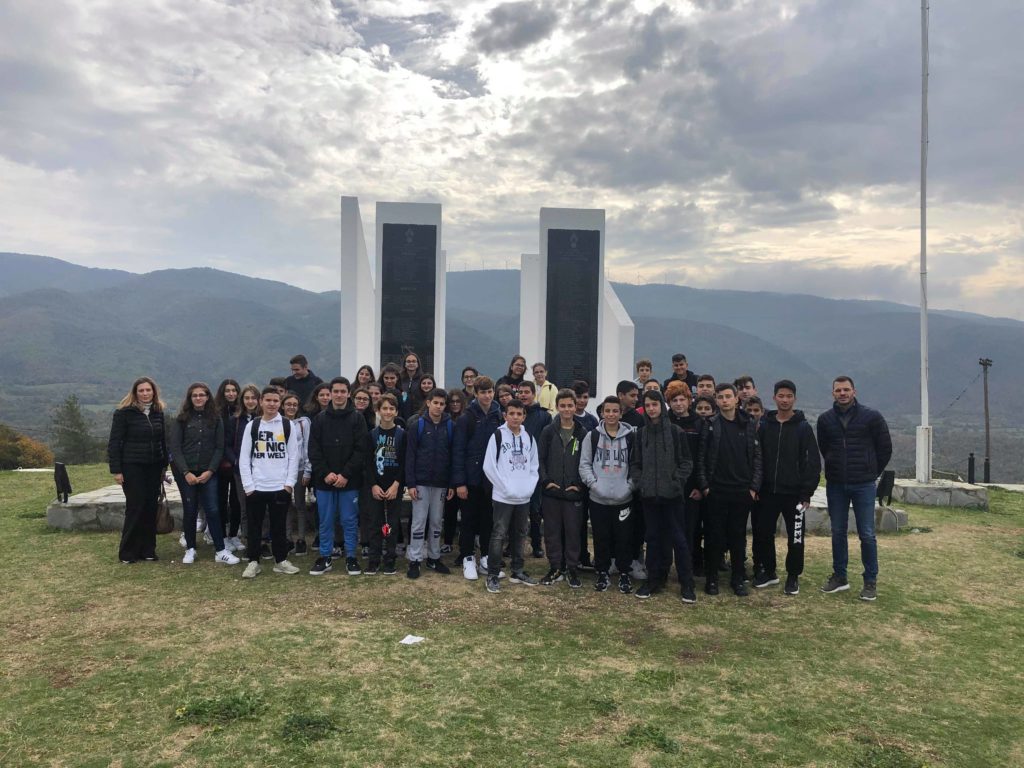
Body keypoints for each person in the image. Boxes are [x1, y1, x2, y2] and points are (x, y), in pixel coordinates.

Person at [816, 376, 892, 601]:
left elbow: (885, 448)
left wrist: (871, 471)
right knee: (837, 531)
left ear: (854, 391)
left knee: (867, 534)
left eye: (846, 389)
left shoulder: (872, 417)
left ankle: (870, 581)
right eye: (838, 390)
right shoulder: (825, 420)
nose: (842, 393)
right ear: (833, 393)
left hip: (864, 485)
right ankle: (840, 577)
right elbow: (824, 448)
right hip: (836, 484)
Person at [629, 390, 695, 603]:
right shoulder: (641, 434)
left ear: (661, 406)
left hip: (672, 496)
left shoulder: (676, 432)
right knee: (653, 539)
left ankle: (687, 583)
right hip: (649, 496)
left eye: (655, 404)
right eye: (647, 405)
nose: (651, 409)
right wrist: (641, 482)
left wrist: (676, 482)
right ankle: (654, 579)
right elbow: (635, 463)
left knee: (679, 540)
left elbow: (686, 462)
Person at [696, 383, 762, 597]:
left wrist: (753, 487)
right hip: (716, 490)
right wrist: (705, 486)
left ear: (736, 399)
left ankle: (738, 579)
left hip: (742, 490)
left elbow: (757, 456)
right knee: (714, 536)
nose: (724, 400)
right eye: (720, 397)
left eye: (728, 396)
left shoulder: (748, 423)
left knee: (737, 537)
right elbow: (701, 457)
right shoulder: (710, 424)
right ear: (716, 400)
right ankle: (712, 578)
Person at [756, 380, 821, 595]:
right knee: (764, 534)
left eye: (789, 396)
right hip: (767, 492)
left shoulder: (803, 427)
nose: (785, 400)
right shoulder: (765, 425)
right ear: (774, 397)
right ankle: (769, 572)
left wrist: (806, 493)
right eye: (781, 396)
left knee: (796, 537)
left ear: (795, 398)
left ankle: (793, 576)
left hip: (794, 494)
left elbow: (812, 462)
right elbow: (757, 457)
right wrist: (756, 486)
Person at [168, 382, 238, 566]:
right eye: (195, 395)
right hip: (187, 473)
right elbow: (175, 448)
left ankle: (220, 550)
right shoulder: (181, 419)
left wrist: (211, 470)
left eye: (202, 395)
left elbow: (219, 447)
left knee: (213, 510)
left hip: (208, 472)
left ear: (208, 397)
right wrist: (185, 472)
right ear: (190, 398)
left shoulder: (215, 419)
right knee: (190, 510)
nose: (198, 398)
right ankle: (190, 548)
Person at [307, 377, 369, 577]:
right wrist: (325, 473)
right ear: (330, 393)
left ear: (349, 393)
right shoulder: (319, 419)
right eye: (336, 391)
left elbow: (361, 450)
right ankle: (325, 557)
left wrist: (345, 474)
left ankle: (351, 557)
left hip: (349, 481)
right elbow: (313, 450)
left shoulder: (357, 419)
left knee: (349, 521)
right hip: (325, 481)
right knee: (325, 521)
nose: (339, 395)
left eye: (343, 391)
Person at [238, 387, 301, 578]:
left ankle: (280, 561)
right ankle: (253, 562)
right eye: (268, 400)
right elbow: (244, 458)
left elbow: (294, 457)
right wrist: (248, 486)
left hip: (280, 486)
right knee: (254, 527)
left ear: (280, 403)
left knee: (279, 527)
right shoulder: (253, 426)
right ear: (261, 402)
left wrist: (289, 484)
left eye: (275, 401)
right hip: (257, 486)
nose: (272, 404)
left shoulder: (287, 425)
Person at [579, 396, 637, 594]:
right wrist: (594, 485)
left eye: (615, 411)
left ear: (621, 413)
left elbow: (636, 465)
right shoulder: (592, 436)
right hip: (598, 498)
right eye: (607, 411)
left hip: (624, 498)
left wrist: (629, 487)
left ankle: (624, 572)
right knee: (601, 536)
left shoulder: (631, 437)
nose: (611, 414)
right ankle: (602, 571)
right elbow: (584, 464)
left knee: (624, 538)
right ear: (602, 413)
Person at [108, 376, 168, 564]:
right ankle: (128, 551)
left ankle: (148, 550)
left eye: (148, 390)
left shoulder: (158, 412)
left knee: (151, 507)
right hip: (132, 466)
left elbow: (163, 441)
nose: (145, 393)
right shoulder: (124, 413)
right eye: (141, 390)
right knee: (135, 507)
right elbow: (114, 442)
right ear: (135, 393)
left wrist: (164, 465)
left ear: (154, 392)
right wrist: (116, 470)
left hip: (154, 466)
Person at [483, 399, 540, 592]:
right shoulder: (497, 436)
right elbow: (489, 466)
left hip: (523, 497)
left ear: (524, 416)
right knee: (499, 534)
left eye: (519, 414)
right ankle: (493, 574)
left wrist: (529, 488)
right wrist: (505, 488)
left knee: (520, 533)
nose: (515, 417)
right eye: (512, 413)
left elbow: (534, 466)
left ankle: (518, 570)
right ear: (505, 415)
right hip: (503, 497)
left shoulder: (529, 437)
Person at [452, 376, 503, 581]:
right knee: (468, 521)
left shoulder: (499, 416)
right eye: (483, 392)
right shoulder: (466, 418)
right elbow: (458, 451)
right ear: (475, 393)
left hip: (491, 480)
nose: (487, 396)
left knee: (488, 520)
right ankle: (468, 558)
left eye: (490, 391)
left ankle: (486, 558)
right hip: (470, 479)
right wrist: (460, 482)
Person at [537, 388, 588, 588]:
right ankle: (555, 567)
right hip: (552, 492)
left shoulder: (583, 433)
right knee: (552, 532)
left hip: (573, 493)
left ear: (575, 407)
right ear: (557, 407)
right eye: (563, 406)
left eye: (570, 405)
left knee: (573, 532)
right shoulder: (548, 431)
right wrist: (546, 481)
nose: (567, 409)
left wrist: (579, 484)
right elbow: (540, 459)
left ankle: (572, 568)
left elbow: (587, 461)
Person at [405, 388, 455, 579]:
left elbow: (453, 456)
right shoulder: (417, 425)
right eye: (435, 403)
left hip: (441, 483)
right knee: (419, 522)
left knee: (436, 522)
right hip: (421, 482)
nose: (438, 407)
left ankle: (434, 557)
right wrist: (411, 483)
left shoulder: (450, 426)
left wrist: (451, 483)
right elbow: (410, 456)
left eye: (442, 404)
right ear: (428, 403)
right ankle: (415, 559)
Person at [665, 381, 706, 578]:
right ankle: (664, 569)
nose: (679, 404)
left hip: (691, 486)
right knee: (666, 530)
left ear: (689, 401)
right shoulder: (664, 422)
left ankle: (688, 569)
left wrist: (700, 486)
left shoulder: (699, 423)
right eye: (674, 400)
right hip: (669, 485)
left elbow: (702, 456)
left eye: (682, 399)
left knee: (691, 530)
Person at [365, 393, 406, 575]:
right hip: (376, 486)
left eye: (391, 408)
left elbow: (404, 462)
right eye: (384, 408)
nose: (388, 412)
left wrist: (396, 484)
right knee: (375, 523)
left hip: (394, 486)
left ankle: (390, 559)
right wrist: (373, 485)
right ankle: (374, 560)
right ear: (378, 411)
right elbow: (367, 463)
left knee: (391, 524)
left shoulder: (402, 435)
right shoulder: (372, 435)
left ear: (396, 411)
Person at [517, 380, 551, 558]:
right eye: (520, 392)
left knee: (535, 509)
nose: (523, 395)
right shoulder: (514, 414)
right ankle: (515, 544)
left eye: (526, 392)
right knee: (517, 509)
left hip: (535, 469)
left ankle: (537, 544)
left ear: (533, 394)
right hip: (516, 468)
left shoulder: (544, 416)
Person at [281, 392, 313, 557]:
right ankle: (287, 539)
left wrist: (308, 469)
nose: (291, 407)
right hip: (282, 470)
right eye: (288, 404)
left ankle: (301, 540)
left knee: (300, 504)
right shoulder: (277, 422)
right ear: (283, 406)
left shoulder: (303, 423)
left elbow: (307, 446)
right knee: (284, 504)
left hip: (300, 469)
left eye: (294, 404)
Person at [214, 379, 243, 549]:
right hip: (220, 463)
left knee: (236, 500)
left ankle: (234, 534)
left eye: (234, 390)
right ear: (222, 393)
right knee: (220, 500)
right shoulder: (216, 412)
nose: (231, 393)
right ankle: (222, 535)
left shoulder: (242, 411)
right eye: (227, 390)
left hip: (237, 463)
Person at [441, 389, 467, 553]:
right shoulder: (445, 421)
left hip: (464, 470)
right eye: (452, 401)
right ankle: (448, 541)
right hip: (447, 470)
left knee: (466, 511)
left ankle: (465, 542)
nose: (455, 404)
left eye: (458, 401)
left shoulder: (467, 419)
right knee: (450, 510)